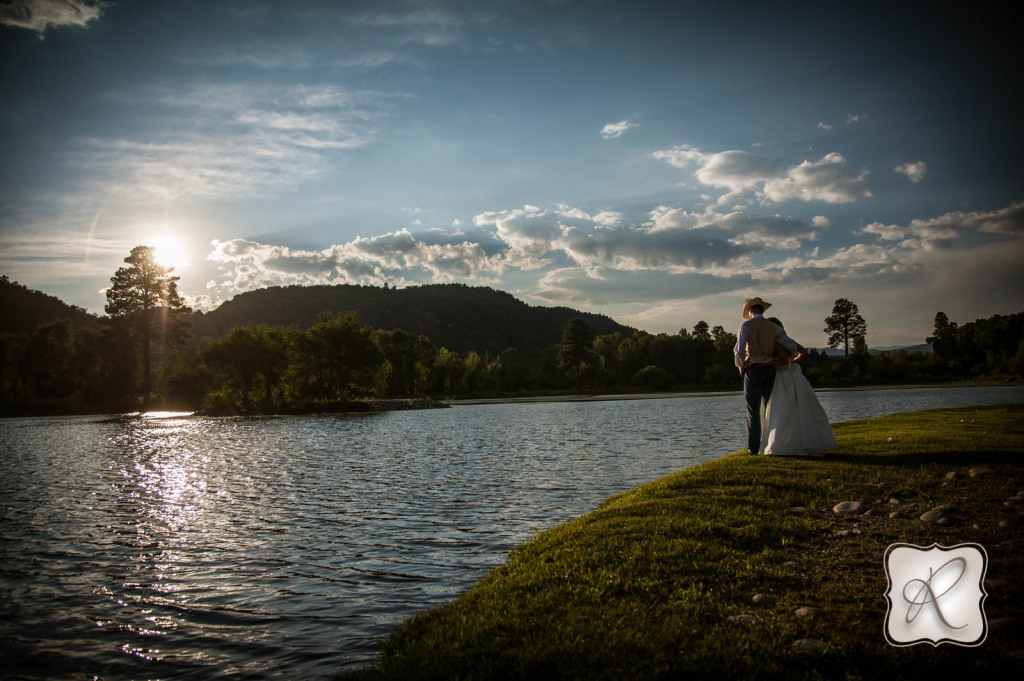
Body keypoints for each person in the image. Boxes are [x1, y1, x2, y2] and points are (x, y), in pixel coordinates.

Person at [758, 317, 837, 456]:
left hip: (782, 377)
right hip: (795, 375)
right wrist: (792, 361)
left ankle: (784, 444)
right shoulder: (788, 341)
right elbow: (804, 353)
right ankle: (806, 441)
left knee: (783, 408)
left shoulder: (775, 342)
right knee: (801, 408)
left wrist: (766, 363)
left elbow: (782, 361)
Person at [734, 297, 797, 455]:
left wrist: (741, 367)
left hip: (754, 368)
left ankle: (753, 448)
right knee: (771, 408)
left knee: (753, 410)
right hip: (770, 369)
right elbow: (790, 344)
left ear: (750, 311)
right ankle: (772, 443)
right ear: (762, 310)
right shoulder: (773, 327)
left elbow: (740, 350)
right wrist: (791, 356)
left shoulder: (746, 326)